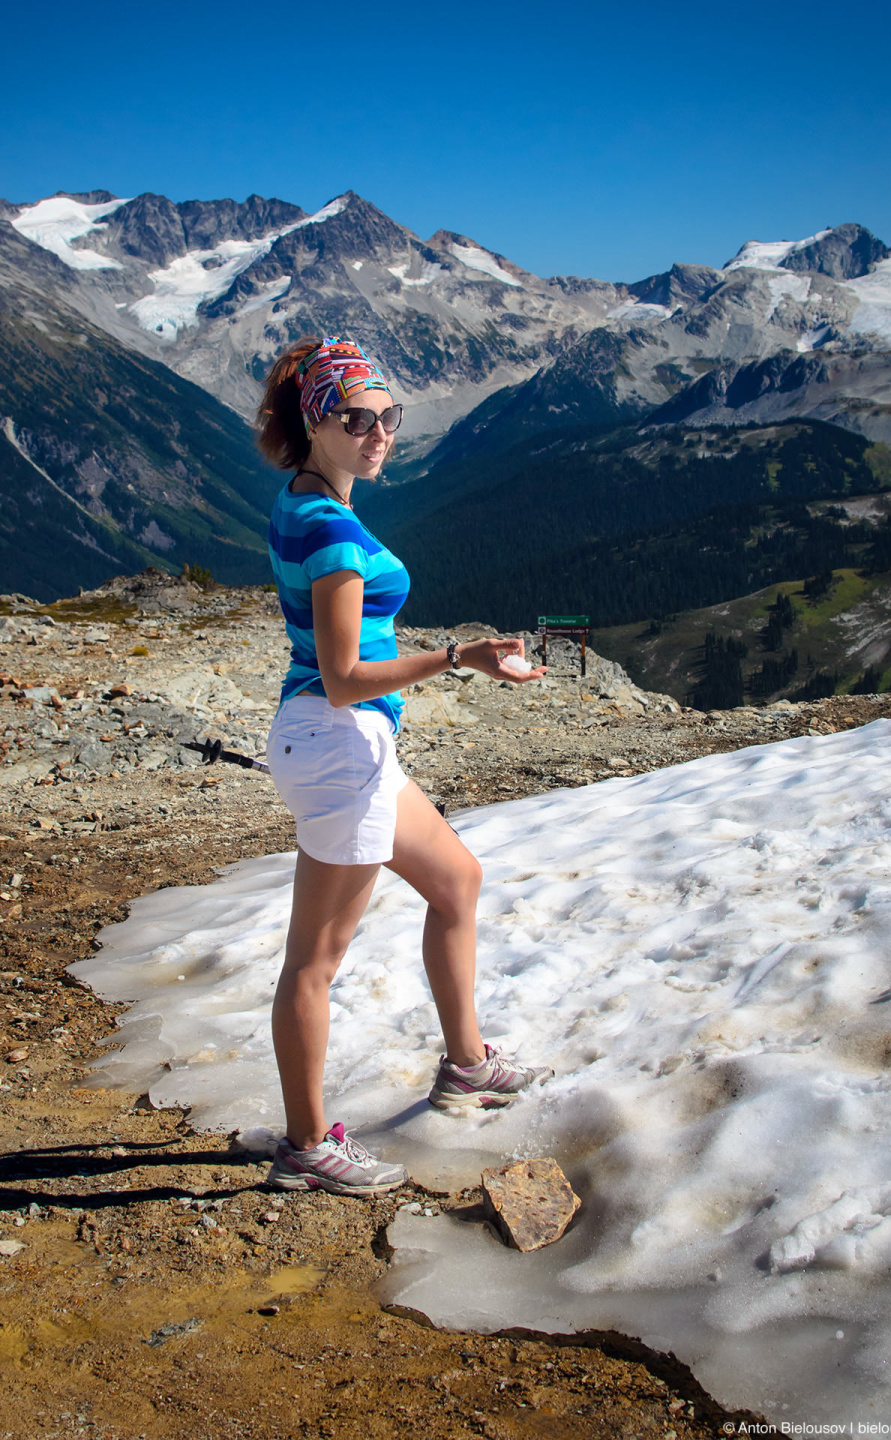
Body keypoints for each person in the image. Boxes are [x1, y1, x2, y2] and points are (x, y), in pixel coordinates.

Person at [255, 336, 551, 1197]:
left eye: (388, 418)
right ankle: (307, 1147)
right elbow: (346, 679)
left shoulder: (309, 497)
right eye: (356, 418)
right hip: (339, 740)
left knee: (456, 880)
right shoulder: (331, 530)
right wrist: (460, 657)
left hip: (343, 743)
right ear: (317, 421)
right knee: (315, 959)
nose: (378, 434)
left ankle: (467, 1063)